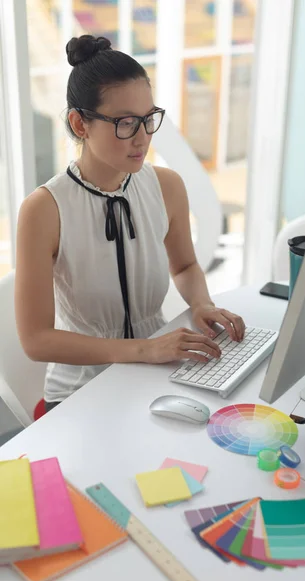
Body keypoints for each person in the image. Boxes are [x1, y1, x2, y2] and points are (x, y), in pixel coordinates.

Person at [15, 35, 245, 412]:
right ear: (80, 123)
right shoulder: (44, 210)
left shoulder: (166, 186)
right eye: (125, 123)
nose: (142, 138)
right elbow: (36, 340)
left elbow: (185, 266)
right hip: (81, 392)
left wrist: (201, 303)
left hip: (157, 371)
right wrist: (145, 349)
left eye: (147, 119)